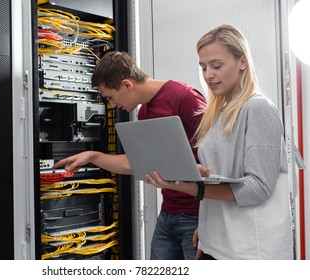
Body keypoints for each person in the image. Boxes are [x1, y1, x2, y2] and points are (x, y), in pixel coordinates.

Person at [146, 24, 293, 260]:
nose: (208, 75)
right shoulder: (217, 114)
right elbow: (221, 176)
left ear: (242, 62)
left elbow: (258, 188)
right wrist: (206, 229)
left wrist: (191, 187)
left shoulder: (258, 108)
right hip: (217, 242)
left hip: (249, 251)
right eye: (203, 67)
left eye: (216, 66)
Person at [52, 51, 206, 260]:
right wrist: (92, 156)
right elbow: (136, 163)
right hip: (168, 214)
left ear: (127, 84)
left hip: (196, 216)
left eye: (110, 97)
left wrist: (209, 224)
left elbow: (218, 157)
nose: (112, 105)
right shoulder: (144, 113)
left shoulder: (184, 97)